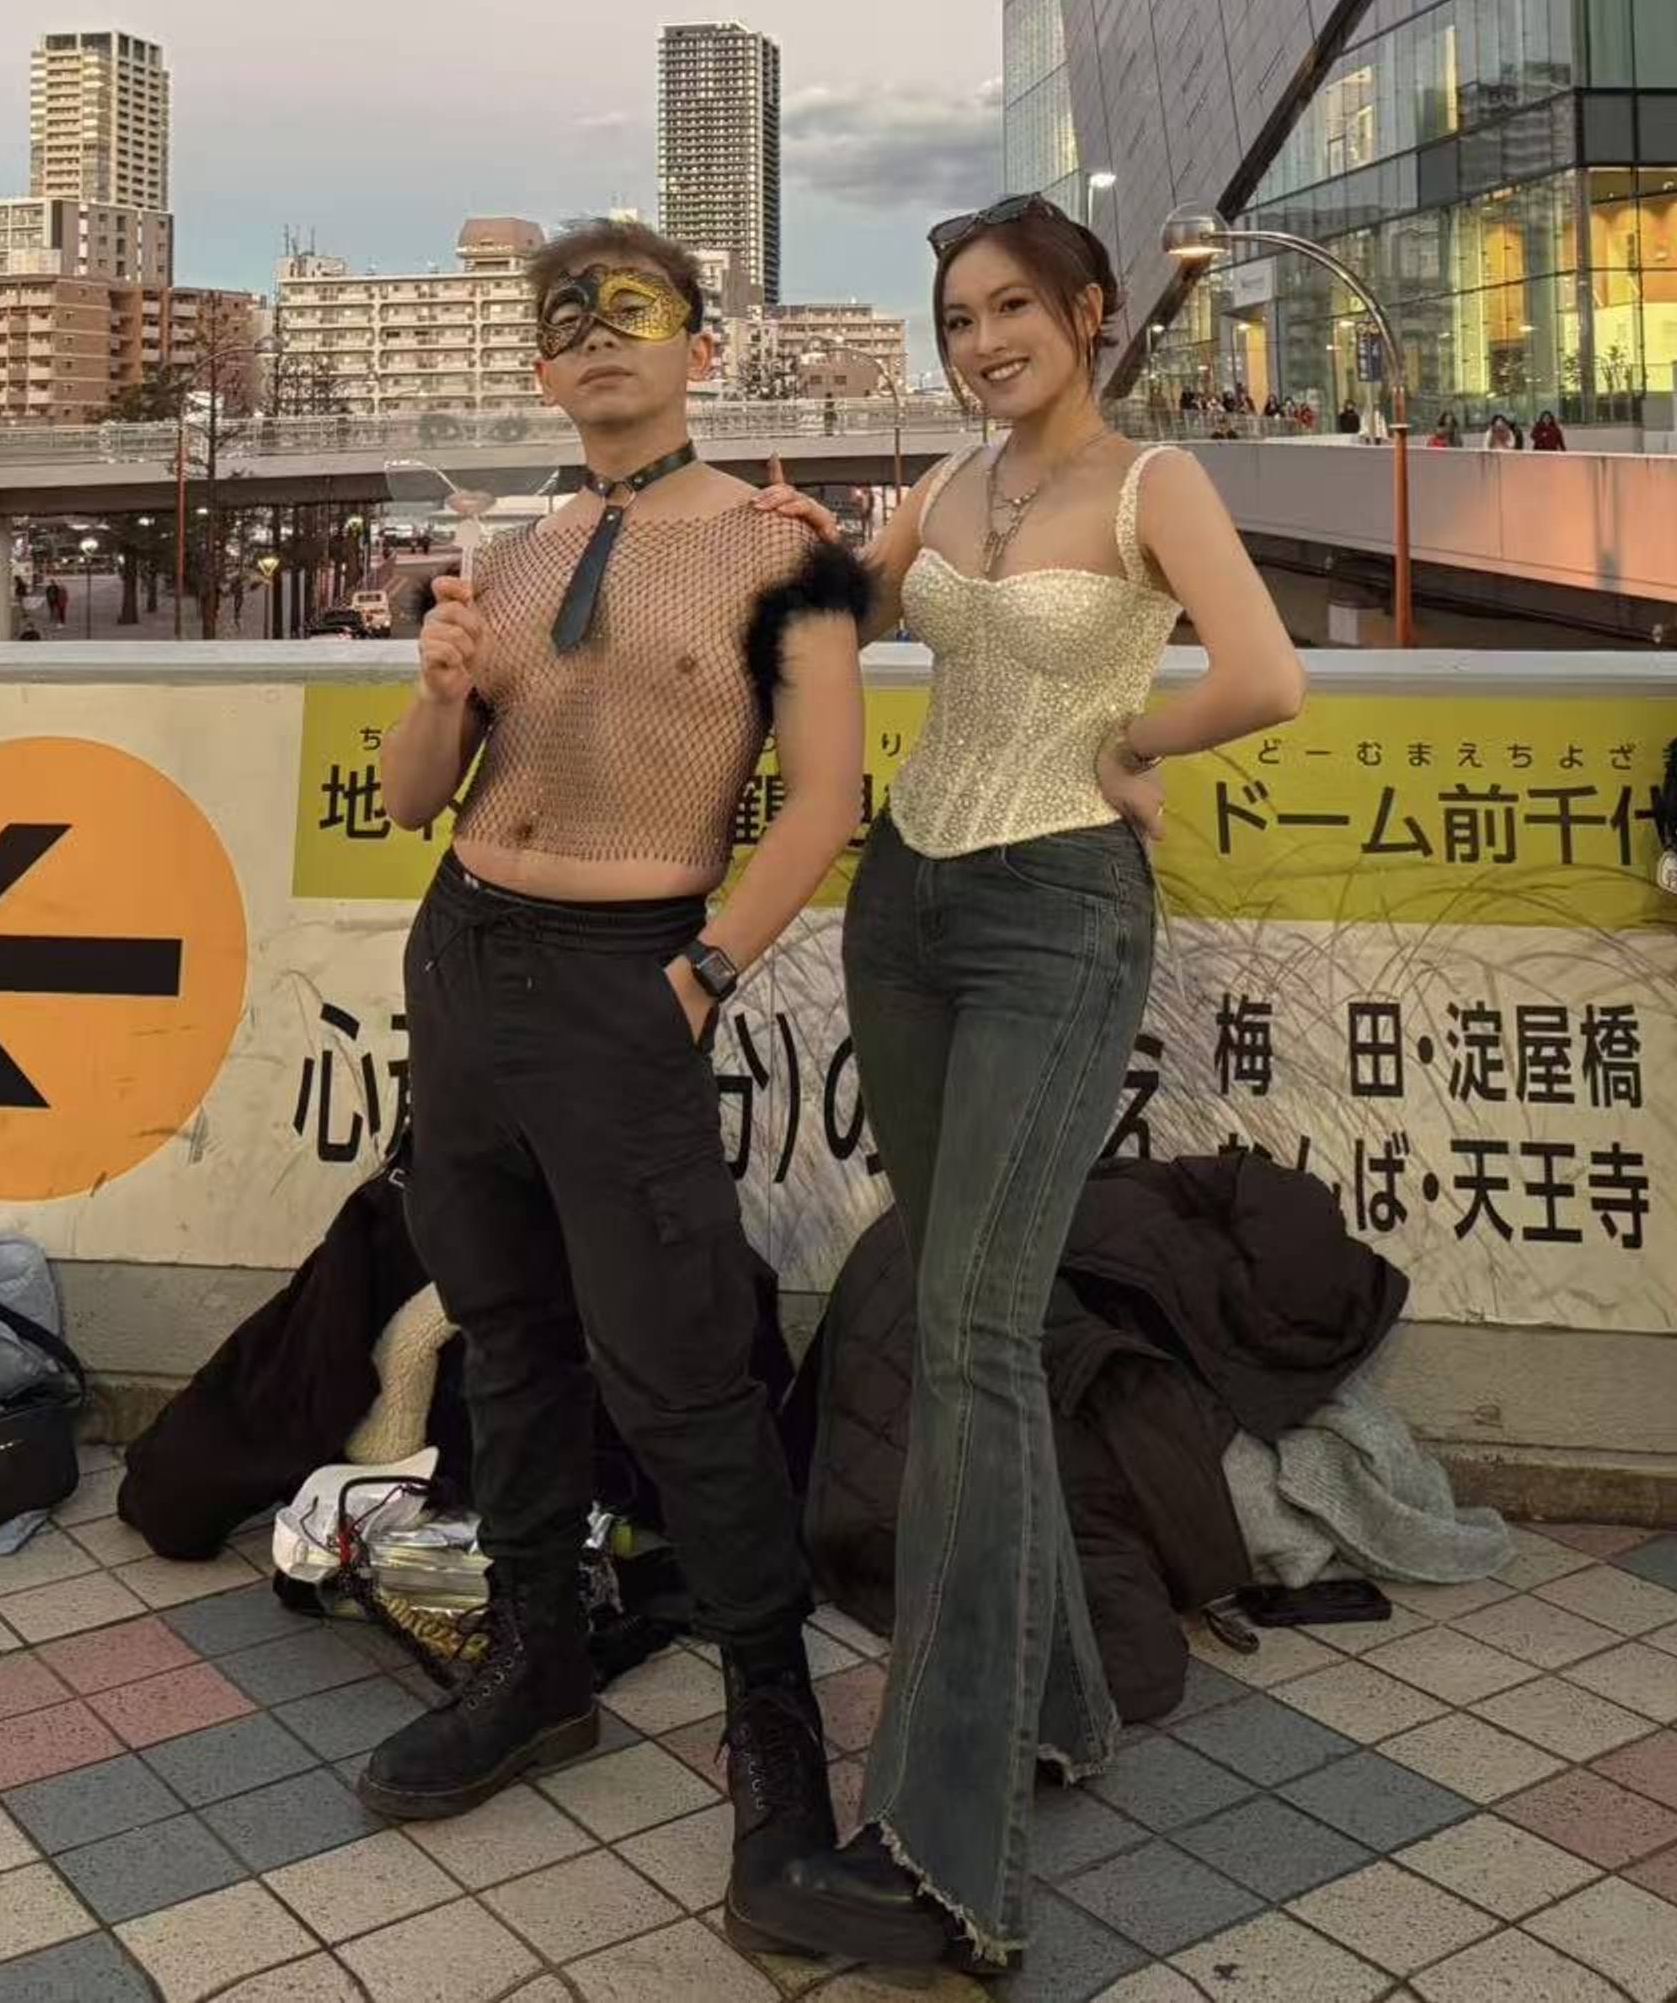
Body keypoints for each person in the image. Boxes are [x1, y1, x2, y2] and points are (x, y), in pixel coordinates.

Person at [749, 194, 1305, 1973]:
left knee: (975, 1335)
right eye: (957, 318)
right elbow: (840, 629)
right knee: (962, 1302)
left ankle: (943, 1852)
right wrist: (813, 557)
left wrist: (1133, 737)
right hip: (906, 904)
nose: (982, 342)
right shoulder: (948, 488)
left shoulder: (1155, 486)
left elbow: (1268, 677)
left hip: (1060, 911)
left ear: (1087, 311)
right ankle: (1059, 1704)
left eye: (1010, 309)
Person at [358, 220, 877, 1949]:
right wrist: (438, 693)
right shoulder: (512, 558)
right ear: (537, 365)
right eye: (566, 318)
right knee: (508, 1337)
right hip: (464, 959)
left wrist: (700, 976)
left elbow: (823, 801)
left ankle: (778, 1755)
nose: (596, 338)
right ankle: (538, 1666)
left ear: (701, 348)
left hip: (627, 973)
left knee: (682, 1376)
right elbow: (411, 798)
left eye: (631, 312)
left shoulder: (783, 552)